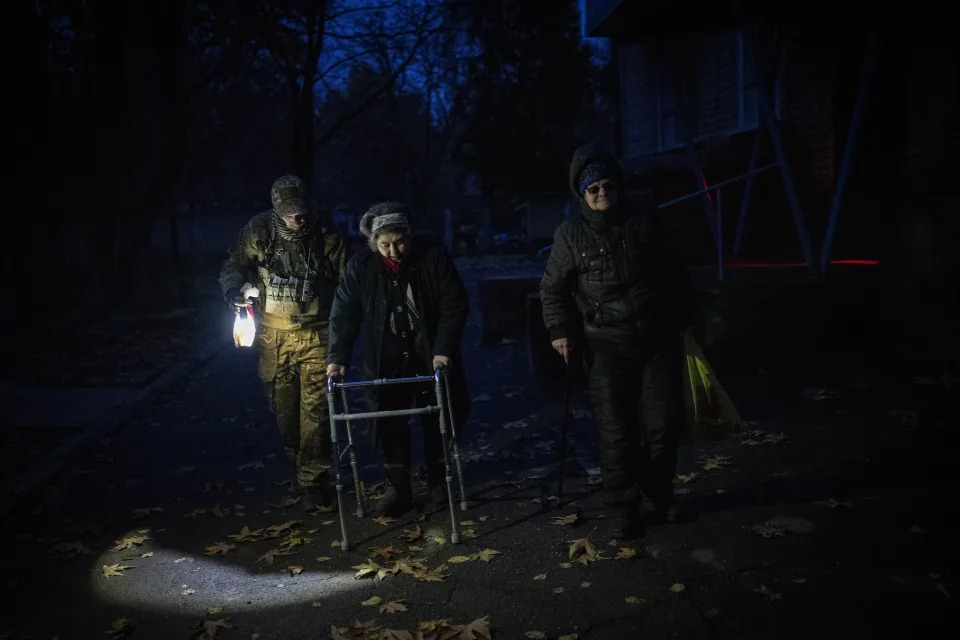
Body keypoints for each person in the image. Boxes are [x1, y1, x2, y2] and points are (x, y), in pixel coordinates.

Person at [540, 144, 694, 539]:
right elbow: (553, 289)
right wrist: (559, 331)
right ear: (582, 194)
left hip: (656, 339)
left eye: (608, 186)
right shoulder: (570, 235)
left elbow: (676, 271)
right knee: (616, 431)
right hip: (605, 345)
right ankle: (622, 507)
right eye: (593, 190)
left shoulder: (645, 222)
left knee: (664, 425)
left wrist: (685, 318)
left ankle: (659, 493)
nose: (602, 194)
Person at [326, 202, 470, 517]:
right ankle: (399, 487)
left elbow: (454, 304)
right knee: (390, 421)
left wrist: (443, 348)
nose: (394, 251)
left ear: (409, 236)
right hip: (386, 357)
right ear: (373, 243)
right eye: (385, 245)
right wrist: (338, 356)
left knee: (438, 420)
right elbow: (344, 314)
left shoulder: (432, 257)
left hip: (429, 353)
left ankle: (437, 482)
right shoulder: (361, 266)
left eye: (399, 242)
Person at [219, 175, 345, 511]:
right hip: (274, 336)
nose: (297, 220)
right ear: (277, 210)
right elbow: (232, 265)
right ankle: (300, 470)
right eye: (290, 214)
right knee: (285, 411)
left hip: (318, 335)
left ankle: (313, 483)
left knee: (316, 413)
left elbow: (349, 282)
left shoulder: (326, 233)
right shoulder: (258, 231)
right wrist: (234, 292)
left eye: (301, 213)